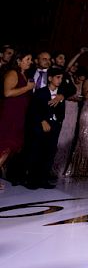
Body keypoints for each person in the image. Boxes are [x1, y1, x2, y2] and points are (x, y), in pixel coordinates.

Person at [24, 67, 66, 189]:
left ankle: (44, 179)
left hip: (54, 128)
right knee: (36, 152)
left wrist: (57, 122)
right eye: (58, 77)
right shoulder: (40, 92)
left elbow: (61, 113)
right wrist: (42, 121)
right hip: (40, 128)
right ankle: (32, 180)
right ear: (50, 78)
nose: (60, 80)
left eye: (61, 78)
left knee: (50, 153)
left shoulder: (60, 95)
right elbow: (33, 110)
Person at [0, 51, 34, 188]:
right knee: (5, 145)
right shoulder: (13, 73)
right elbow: (7, 93)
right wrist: (27, 88)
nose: (30, 62)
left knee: (9, 148)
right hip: (10, 114)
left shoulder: (25, 75)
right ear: (19, 60)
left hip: (19, 115)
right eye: (28, 58)